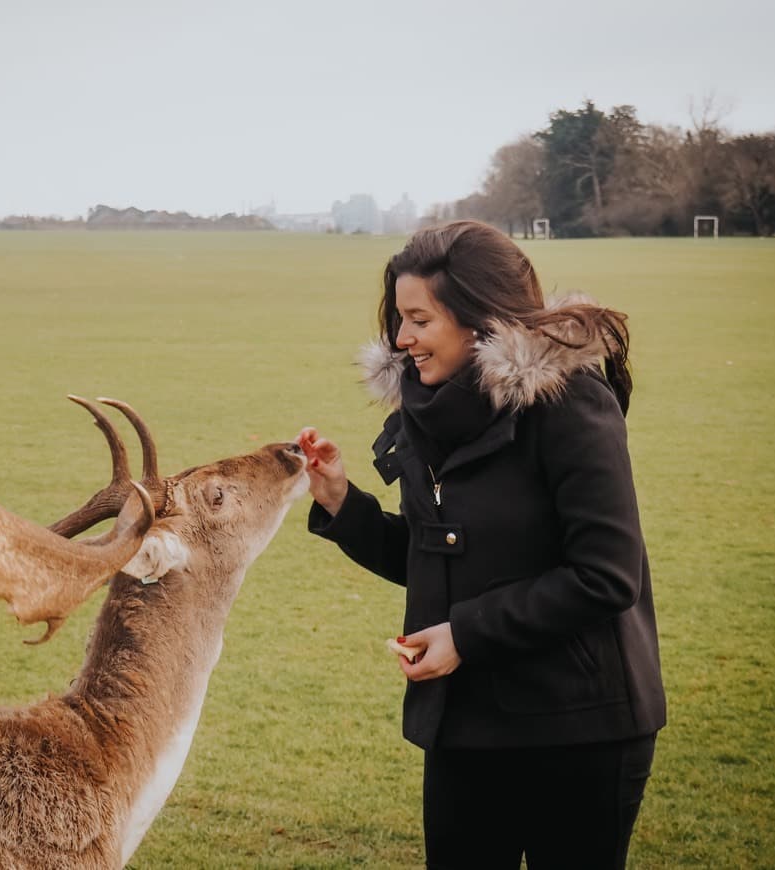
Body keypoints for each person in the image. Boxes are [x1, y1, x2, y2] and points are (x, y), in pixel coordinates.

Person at [299, 221, 665, 870]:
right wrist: (339, 503)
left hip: (581, 729)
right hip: (466, 727)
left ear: (477, 319)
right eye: (397, 319)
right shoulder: (425, 414)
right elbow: (430, 553)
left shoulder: (571, 404)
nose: (400, 339)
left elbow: (606, 576)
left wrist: (463, 636)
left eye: (417, 319)